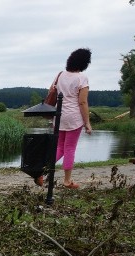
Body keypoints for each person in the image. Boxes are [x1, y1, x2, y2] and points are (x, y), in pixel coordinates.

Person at [37, 48, 93, 189]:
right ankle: (67, 181)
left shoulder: (60, 75)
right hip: (74, 117)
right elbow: (82, 102)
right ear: (84, 63)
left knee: (60, 147)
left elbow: (51, 91)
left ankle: (41, 171)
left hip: (59, 116)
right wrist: (87, 122)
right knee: (69, 149)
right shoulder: (82, 78)